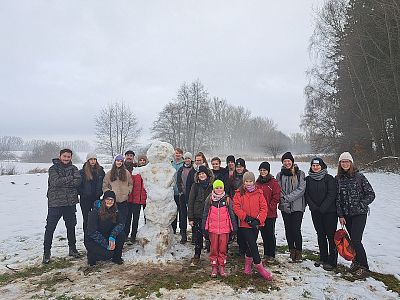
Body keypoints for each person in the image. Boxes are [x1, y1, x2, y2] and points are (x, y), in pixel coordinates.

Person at [336, 152, 375, 277]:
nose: (345, 164)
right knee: (351, 241)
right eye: (343, 162)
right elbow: (337, 199)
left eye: (347, 161)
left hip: (359, 214)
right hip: (346, 215)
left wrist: (361, 205)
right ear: (340, 164)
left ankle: (364, 267)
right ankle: (356, 263)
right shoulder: (338, 179)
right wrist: (340, 215)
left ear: (351, 163)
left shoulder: (359, 177)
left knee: (357, 240)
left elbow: (371, 194)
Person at [43, 149, 81, 264]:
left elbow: (78, 181)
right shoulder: (53, 169)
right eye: (64, 156)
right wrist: (70, 178)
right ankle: (46, 252)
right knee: (50, 228)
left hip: (70, 203)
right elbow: (55, 182)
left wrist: (64, 181)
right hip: (55, 203)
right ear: (60, 156)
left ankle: (72, 249)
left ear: (71, 158)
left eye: (68, 157)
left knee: (71, 226)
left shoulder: (74, 168)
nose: (66, 158)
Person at [233, 172, 272, 281]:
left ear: (254, 181)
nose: (248, 183)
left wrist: (258, 220)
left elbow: (264, 208)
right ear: (243, 182)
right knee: (252, 244)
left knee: (251, 244)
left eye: (250, 181)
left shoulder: (259, 193)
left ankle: (247, 265)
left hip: (256, 224)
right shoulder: (239, 193)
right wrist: (247, 218)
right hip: (245, 224)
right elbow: (236, 207)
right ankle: (259, 266)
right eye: (246, 181)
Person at [305, 157, 338, 271]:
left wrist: (323, 207)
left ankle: (332, 260)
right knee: (320, 235)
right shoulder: (308, 179)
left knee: (331, 236)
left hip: (329, 212)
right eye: (313, 166)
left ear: (322, 166)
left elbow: (331, 194)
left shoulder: (329, 178)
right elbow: (307, 194)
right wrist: (313, 207)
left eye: (317, 165)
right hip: (315, 212)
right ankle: (323, 257)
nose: (315, 167)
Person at [202, 180, 237, 277]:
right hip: (213, 229)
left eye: (220, 187)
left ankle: (221, 266)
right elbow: (206, 214)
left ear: (223, 188)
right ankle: (214, 266)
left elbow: (231, 214)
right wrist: (204, 227)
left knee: (222, 249)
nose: (219, 189)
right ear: (213, 188)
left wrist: (234, 228)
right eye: (217, 188)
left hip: (224, 229)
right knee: (214, 248)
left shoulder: (227, 199)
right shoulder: (210, 199)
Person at [276, 152, 306, 263]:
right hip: (285, 206)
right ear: (283, 163)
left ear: (292, 161)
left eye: (289, 161)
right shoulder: (280, 174)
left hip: (297, 206)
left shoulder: (299, 173)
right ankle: (291, 250)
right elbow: (278, 189)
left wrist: (288, 198)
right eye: (285, 161)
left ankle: (298, 252)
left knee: (296, 229)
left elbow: (301, 189)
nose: (287, 163)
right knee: (288, 229)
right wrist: (283, 199)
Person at [84, 191, 125, 265]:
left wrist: (113, 236)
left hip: (107, 235)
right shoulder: (95, 212)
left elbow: (121, 223)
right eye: (107, 199)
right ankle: (92, 256)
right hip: (93, 239)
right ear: (103, 200)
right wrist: (106, 244)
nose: (109, 201)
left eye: (112, 200)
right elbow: (92, 232)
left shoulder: (115, 210)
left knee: (121, 235)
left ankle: (117, 258)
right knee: (107, 254)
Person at [188, 165, 214, 267]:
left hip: (210, 215)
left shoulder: (211, 186)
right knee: (198, 236)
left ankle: (213, 255)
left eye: (203, 173)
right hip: (197, 215)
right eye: (200, 174)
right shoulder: (195, 186)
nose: (202, 175)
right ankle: (197, 255)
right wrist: (190, 217)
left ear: (207, 175)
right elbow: (190, 202)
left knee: (210, 235)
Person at [255, 162, 281, 262]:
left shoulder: (273, 182)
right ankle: (266, 253)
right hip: (261, 213)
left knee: (270, 233)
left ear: (268, 171)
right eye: (261, 170)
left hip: (270, 213)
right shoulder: (257, 183)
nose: (263, 172)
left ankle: (271, 254)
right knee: (264, 234)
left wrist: (271, 206)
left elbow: (276, 196)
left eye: (264, 170)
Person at [103, 154, 133, 229]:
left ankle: (123, 236)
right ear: (114, 162)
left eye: (121, 161)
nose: (119, 162)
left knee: (123, 219)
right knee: (113, 219)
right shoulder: (109, 173)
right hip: (113, 201)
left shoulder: (126, 173)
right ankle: (113, 236)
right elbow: (104, 185)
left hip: (123, 200)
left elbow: (131, 184)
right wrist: (109, 194)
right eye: (117, 161)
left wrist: (128, 191)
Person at [78, 153, 105, 231]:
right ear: (87, 160)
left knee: (97, 217)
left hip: (96, 198)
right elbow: (78, 186)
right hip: (85, 199)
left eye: (94, 159)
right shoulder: (82, 172)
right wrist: (83, 193)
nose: (93, 161)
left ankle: (96, 235)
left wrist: (100, 192)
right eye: (91, 159)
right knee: (86, 218)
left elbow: (104, 183)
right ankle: (87, 237)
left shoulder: (101, 171)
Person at [125, 155, 148, 244]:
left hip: (146, 199)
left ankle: (147, 235)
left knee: (147, 218)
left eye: (143, 160)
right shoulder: (135, 171)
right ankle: (133, 235)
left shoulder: (148, 171)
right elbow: (131, 184)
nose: (142, 161)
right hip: (135, 199)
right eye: (141, 160)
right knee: (135, 218)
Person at [229, 158, 248, 256]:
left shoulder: (247, 176)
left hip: (246, 205)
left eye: (241, 167)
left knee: (245, 227)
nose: (239, 168)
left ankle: (246, 246)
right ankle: (241, 247)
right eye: (237, 167)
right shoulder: (232, 177)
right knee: (238, 227)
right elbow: (229, 190)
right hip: (235, 204)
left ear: (244, 167)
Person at [176, 152, 195, 244]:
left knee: (192, 215)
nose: (187, 160)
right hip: (183, 195)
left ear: (191, 159)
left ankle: (194, 235)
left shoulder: (194, 169)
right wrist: (180, 191)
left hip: (192, 196)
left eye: (189, 158)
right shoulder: (181, 169)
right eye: (186, 158)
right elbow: (178, 181)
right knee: (183, 215)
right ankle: (183, 234)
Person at [171, 148, 184, 235]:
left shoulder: (184, 164)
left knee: (182, 213)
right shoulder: (171, 163)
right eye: (176, 153)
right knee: (173, 212)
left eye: (179, 153)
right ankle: (173, 230)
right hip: (172, 192)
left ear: (182, 155)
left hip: (181, 192)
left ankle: (182, 230)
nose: (178, 155)